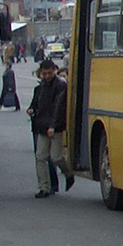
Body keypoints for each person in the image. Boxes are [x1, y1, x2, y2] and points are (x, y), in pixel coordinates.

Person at [27, 59, 74, 199]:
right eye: (44, 74)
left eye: (49, 73)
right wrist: (31, 109)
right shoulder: (41, 87)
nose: (46, 76)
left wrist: (53, 126)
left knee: (56, 157)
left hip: (56, 127)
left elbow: (58, 107)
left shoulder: (60, 85)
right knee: (40, 157)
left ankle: (68, 173)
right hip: (42, 126)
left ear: (54, 70)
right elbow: (35, 102)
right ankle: (44, 187)